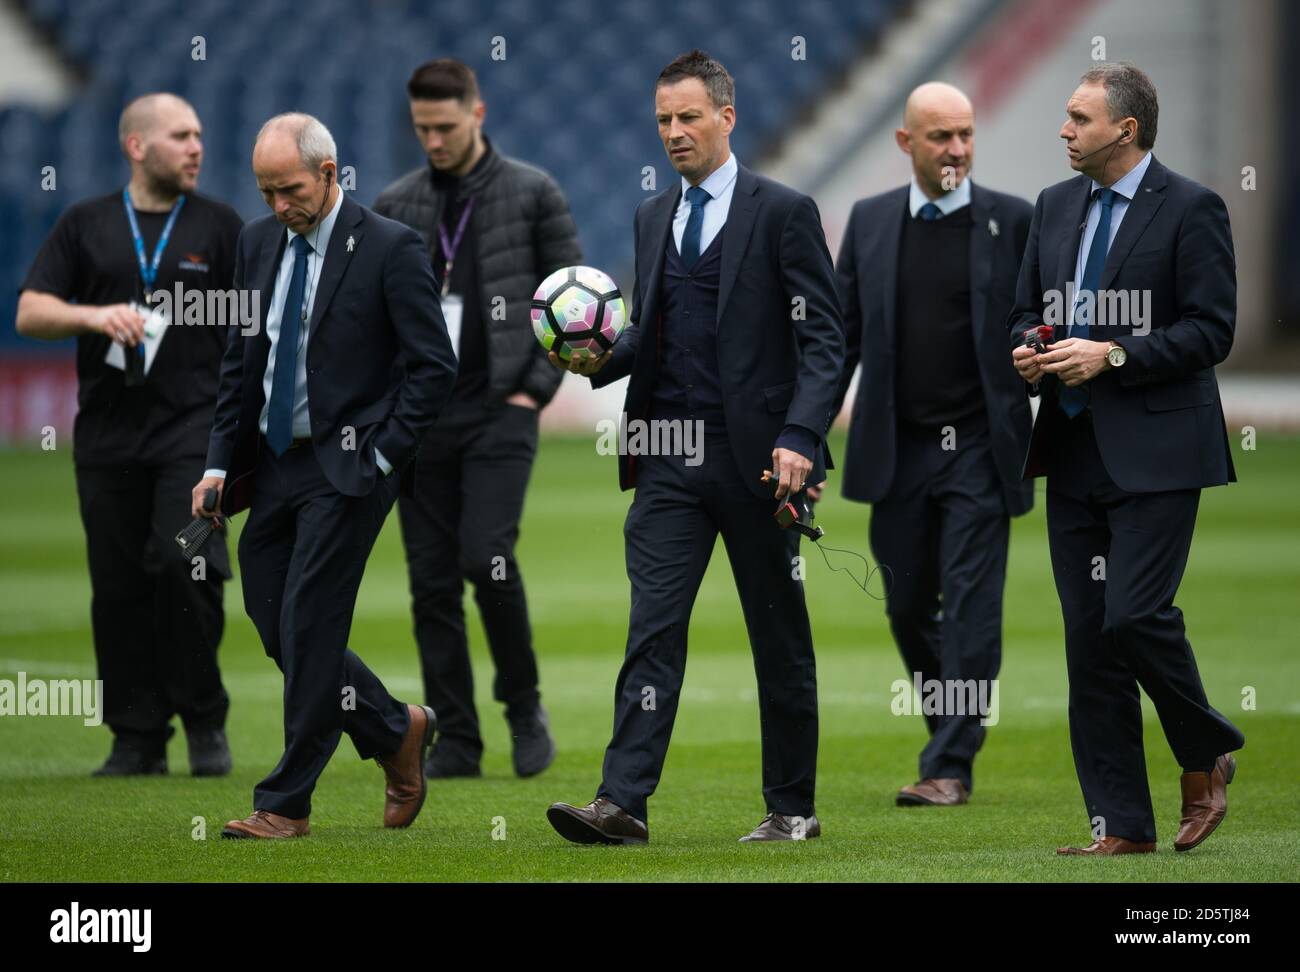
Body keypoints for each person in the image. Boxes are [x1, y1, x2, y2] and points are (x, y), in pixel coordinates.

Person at [545, 50, 844, 844]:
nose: (674, 134)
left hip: (760, 462)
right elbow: (656, 331)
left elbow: (825, 342)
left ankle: (791, 809)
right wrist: (596, 357)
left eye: (687, 118)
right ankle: (622, 802)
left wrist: (802, 438)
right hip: (666, 460)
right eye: (663, 122)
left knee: (778, 636)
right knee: (653, 627)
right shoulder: (654, 217)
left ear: (726, 117)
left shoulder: (782, 211)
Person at [191, 113, 457, 839]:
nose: (279, 205)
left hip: (349, 467)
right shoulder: (255, 243)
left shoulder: (391, 249)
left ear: (330, 173)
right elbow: (241, 363)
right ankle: (393, 729)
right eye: (266, 191)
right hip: (274, 464)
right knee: (276, 623)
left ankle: (285, 804)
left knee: (308, 623)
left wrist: (379, 456)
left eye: (290, 190)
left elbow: (435, 369)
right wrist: (218, 463)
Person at [1008, 63, 1244, 855]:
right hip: (1070, 450)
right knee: (1091, 644)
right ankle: (1123, 828)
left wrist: (1112, 356)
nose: (1064, 130)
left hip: (1158, 451)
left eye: (1078, 118)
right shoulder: (1053, 205)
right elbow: (1025, 311)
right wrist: (1031, 351)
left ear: (1125, 130)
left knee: (1135, 614)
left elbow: (1212, 332)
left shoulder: (1191, 208)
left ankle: (1204, 748)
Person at [16, 93, 241, 777]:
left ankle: (205, 721)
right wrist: (93, 317)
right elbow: (31, 311)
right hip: (110, 440)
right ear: (137, 146)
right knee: (116, 590)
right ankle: (136, 737)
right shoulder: (86, 224)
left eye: (200, 134)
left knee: (185, 567)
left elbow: (252, 327)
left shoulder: (221, 225)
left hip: (195, 434)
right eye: (180, 136)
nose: (197, 146)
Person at [374, 58, 581, 779]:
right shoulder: (395, 204)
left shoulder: (533, 192)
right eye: (422, 128)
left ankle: (524, 710)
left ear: (478, 113)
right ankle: (455, 736)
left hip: (501, 413)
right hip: (423, 422)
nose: (432, 140)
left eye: (445, 126)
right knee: (429, 584)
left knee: (485, 560)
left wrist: (534, 388)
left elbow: (575, 300)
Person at [833, 82, 1033, 807]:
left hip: (981, 446)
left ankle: (950, 762)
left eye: (965, 135)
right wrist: (800, 436)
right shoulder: (870, 222)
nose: (955, 149)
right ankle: (952, 724)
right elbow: (840, 341)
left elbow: (1039, 321)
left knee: (973, 604)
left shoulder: (1014, 222)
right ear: (905, 143)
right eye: (940, 136)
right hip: (899, 450)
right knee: (907, 607)